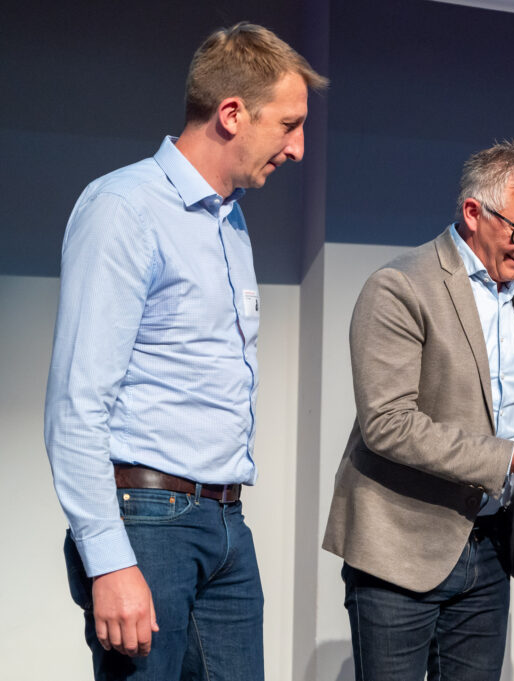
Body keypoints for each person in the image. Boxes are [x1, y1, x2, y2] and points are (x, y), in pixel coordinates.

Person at [43, 23, 327, 680]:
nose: (298, 148)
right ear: (232, 114)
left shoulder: (230, 218)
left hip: (225, 521)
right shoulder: (125, 208)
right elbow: (76, 403)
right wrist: (109, 560)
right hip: (148, 524)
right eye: (288, 125)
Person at [322, 140, 514, 681]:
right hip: (400, 547)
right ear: (474, 212)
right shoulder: (400, 286)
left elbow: (507, 406)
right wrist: (513, 458)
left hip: (490, 545)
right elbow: (388, 424)